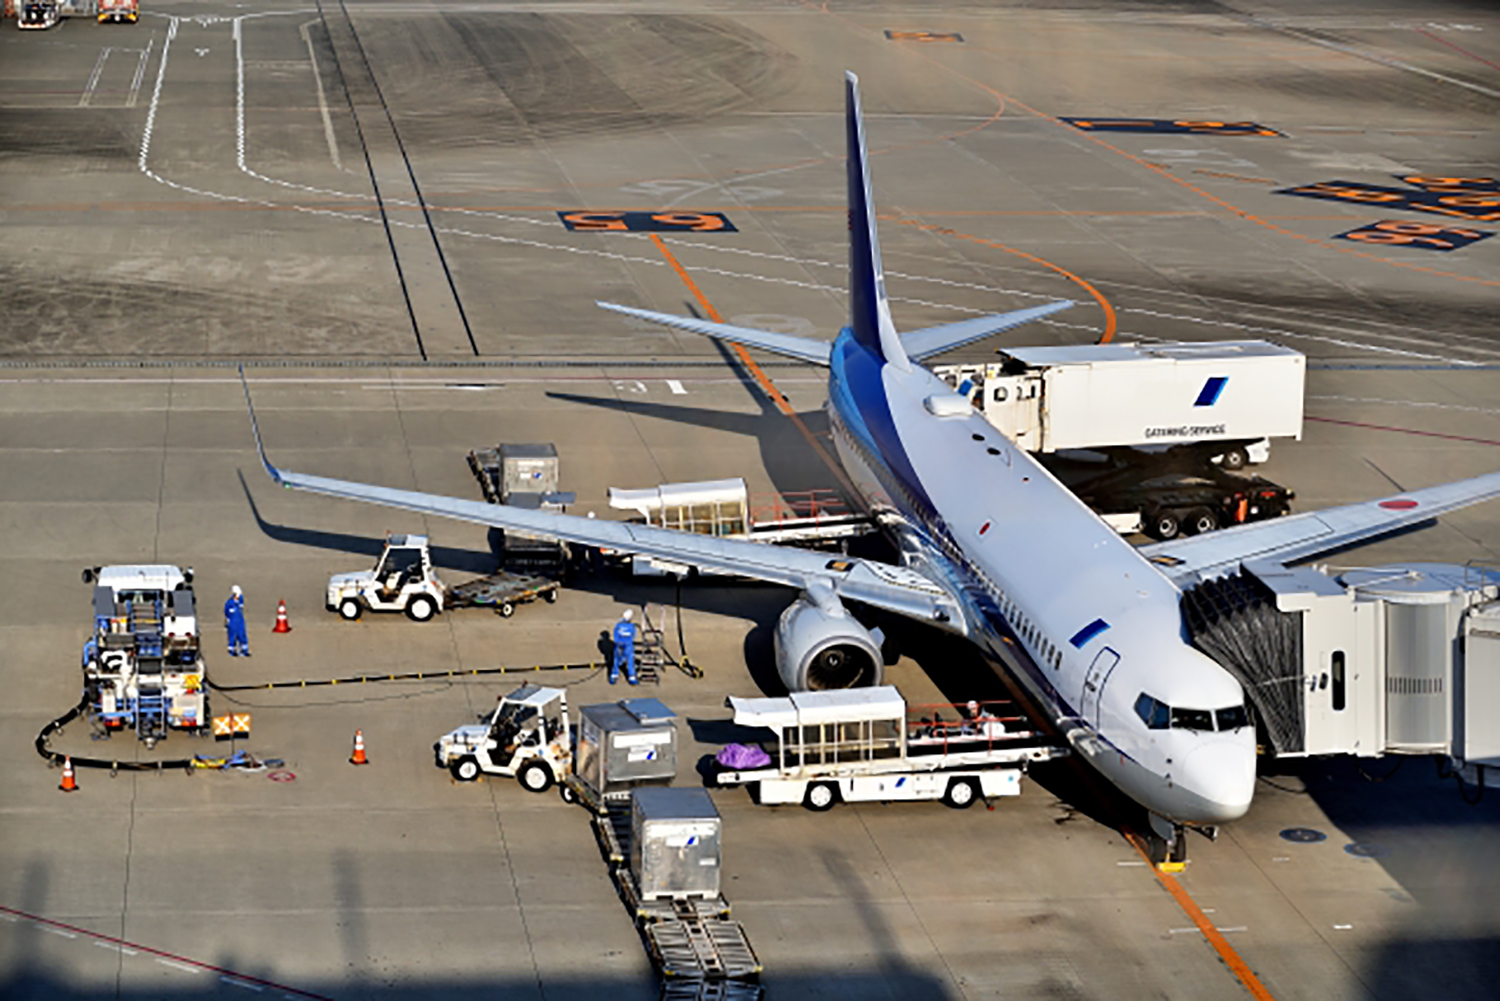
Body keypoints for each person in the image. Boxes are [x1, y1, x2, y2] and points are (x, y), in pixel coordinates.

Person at [610, 609, 638, 686]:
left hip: (619, 646)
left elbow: (615, 637)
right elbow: (633, 636)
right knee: (630, 660)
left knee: (616, 660)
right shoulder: (632, 627)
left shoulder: (618, 625)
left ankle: (614, 675)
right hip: (628, 647)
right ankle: (631, 677)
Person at [224, 585, 249, 657]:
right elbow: (226, 613)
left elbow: (241, 602)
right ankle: (232, 650)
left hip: (240, 621)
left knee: (242, 635)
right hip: (232, 622)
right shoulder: (229, 603)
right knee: (232, 636)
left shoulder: (240, 601)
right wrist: (227, 621)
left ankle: (244, 650)